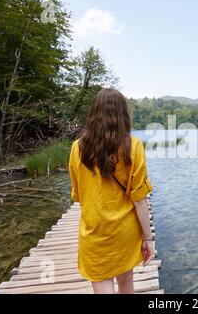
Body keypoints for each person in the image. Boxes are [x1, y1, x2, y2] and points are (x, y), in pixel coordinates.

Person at [68, 88, 154, 294]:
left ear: (94, 114)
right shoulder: (133, 146)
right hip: (124, 231)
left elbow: (78, 195)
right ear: (123, 114)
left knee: (102, 285)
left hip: (94, 232)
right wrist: (147, 238)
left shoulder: (76, 148)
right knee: (126, 285)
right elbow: (139, 198)